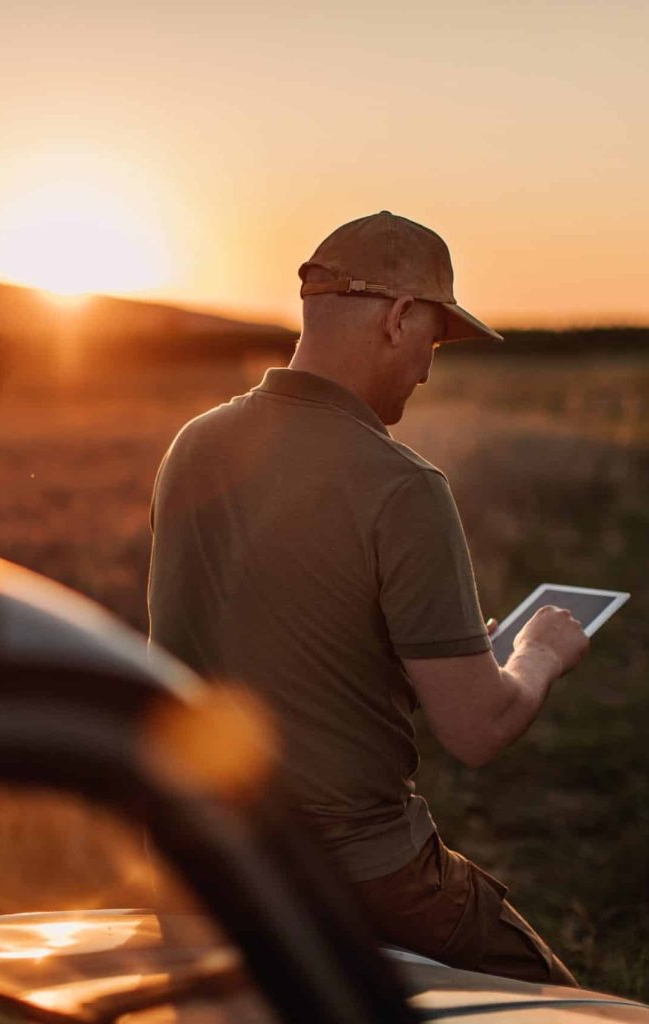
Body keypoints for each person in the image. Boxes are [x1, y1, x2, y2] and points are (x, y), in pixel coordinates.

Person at [146, 211, 589, 987]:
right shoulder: (404, 485)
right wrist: (538, 653)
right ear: (396, 319)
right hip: (361, 872)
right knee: (564, 1007)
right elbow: (479, 729)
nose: (427, 369)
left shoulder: (194, 444)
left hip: (196, 861)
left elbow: (280, 648)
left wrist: (431, 659)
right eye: (434, 340)